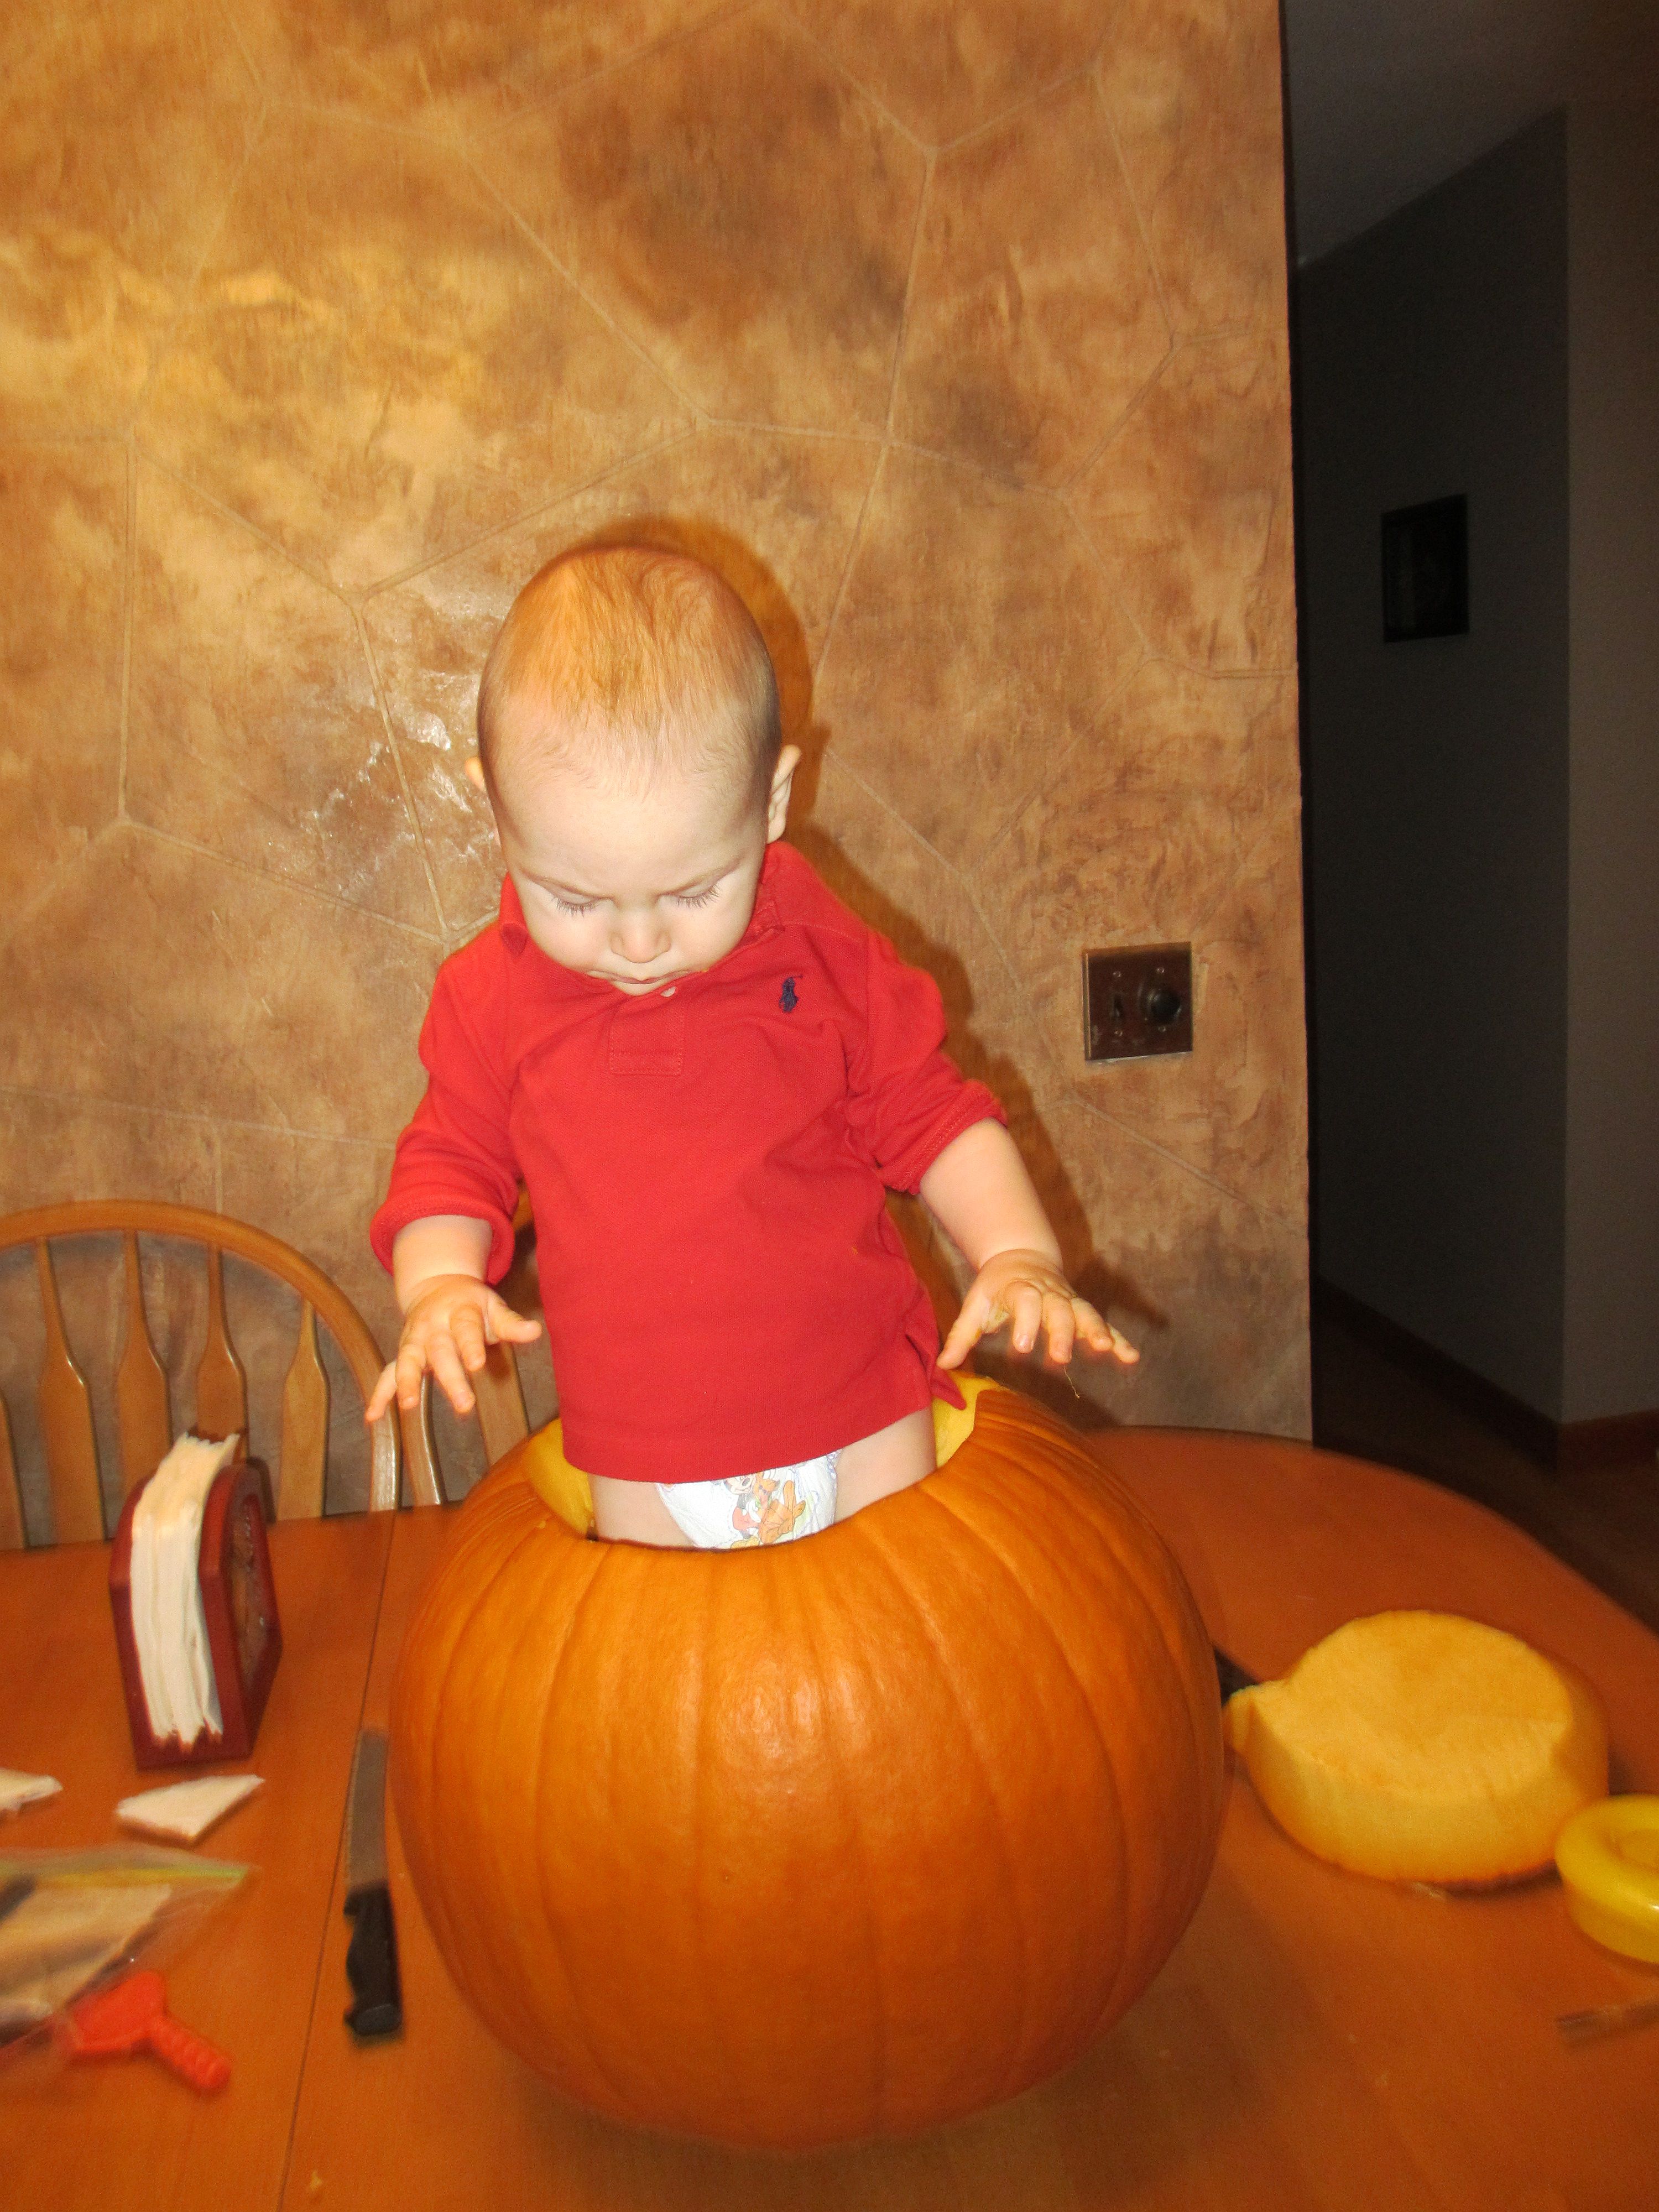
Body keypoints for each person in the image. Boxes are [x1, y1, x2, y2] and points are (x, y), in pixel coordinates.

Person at [367, 546, 1136, 1547]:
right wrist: (439, 1285)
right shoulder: (491, 997)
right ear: (496, 811)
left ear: (771, 804)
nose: (638, 943)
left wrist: (1017, 1252)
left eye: (694, 892)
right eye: (576, 901)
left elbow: (935, 1116)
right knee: (677, 1651)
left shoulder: (821, 955)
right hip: (645, 1452)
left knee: (899, 1619)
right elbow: (448, 1165)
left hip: (865, 1408)